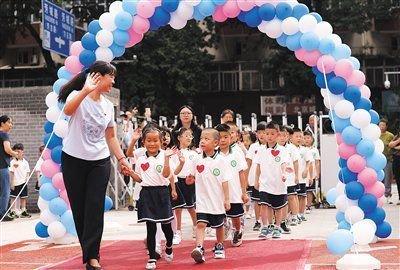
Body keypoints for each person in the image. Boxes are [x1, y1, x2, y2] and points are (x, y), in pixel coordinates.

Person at [58, 61, 132, 270]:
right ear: (98, 76)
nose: (114, 81)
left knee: (94, 208)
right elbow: (69, 111)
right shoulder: (76, 96)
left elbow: (111, 137)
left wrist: (122, 160)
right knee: (80, 211)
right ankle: (88, 253)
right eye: (111, 77)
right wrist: (85, 91)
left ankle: (93, 257)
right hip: (73, 160)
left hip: (99, 161)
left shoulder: (108, 106)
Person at [128, 127, 177, 270]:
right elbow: (139, 178)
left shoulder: (165, 155)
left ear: (161, 141)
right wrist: (131, 172)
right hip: (147, 194)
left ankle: (168, 245)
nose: (152, 143)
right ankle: (152, 257)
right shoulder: (141, 157)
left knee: (166, 226)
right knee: (150, 227)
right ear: (143, 142)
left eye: (155, 140)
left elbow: (167, 174)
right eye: (148, 140)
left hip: (162, 193)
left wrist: (167, 159)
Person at [190, 129, 230, 264]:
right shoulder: (196, 158)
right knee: (200, 224)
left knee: (219, 226)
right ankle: (199, 248)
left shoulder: (221, 160)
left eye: (207, 139)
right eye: (202, 138)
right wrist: (190, 179)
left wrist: (227, 199)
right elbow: (192, 176)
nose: (202, 141)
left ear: (216, 143)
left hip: (217, 200)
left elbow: (225, 182)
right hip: (202, 200)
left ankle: (219, 245)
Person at [215, 124, 248, 247]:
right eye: (219, 137)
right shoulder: (213, 154)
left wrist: (244, 192)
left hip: (234, 192)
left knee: (235, 215)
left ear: (231, 137)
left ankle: (238, 230)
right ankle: (223, 229)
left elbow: (242, 174)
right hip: (218, 192)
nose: (222, 140)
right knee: (220, 214)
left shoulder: (237, 153)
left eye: (225, 137)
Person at [254, 122, 289, 239]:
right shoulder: (260, 150)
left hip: (278, 183)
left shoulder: (283, 150)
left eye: (272, 134)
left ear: (277, 134)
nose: (269, 136)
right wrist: (256, 180)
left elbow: (284, 163)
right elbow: (258, 166)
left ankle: (277, 227)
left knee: (278, 208)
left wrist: (284, 173)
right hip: (265, 183)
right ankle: (265, 226)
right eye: (267, 133)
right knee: (264, 205)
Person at [171, 127, 198, 245]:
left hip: (189, 182)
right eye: (186, 135)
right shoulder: (173, 152)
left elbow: (197, 169)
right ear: (179, 137)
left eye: (190, 135)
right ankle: (178, 232)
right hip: (177, 181)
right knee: (178, 209)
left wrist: (193, 178)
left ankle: (196, 227)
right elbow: (173, 171)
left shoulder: (194, 153)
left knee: (191, 207)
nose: (188, 137)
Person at [246, 122, 267, 231]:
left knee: (267, 201)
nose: (262, 135)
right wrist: (246, 178)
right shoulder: (253, 146)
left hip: (268, 179)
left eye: (264, 132)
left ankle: (267, 221)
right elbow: (248, 162)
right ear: (256, 134)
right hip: (256, 179)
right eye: (260, 132)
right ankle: (258, 221)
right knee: (257, 201)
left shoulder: (271, 146)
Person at [0, 115, 19, 222]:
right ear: (2, 123)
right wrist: (15, 154)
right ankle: (2, 214)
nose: (11, 125)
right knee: (5, 191)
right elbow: (7, 149)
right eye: (9, 123)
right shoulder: (4, 135)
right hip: (2, 167)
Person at [292, 127, 312, 222]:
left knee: (302, 196)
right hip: (292, 177)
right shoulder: (289, 149)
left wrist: (306, 171)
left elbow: (309, 162)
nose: (299, 138)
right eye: (297, 136)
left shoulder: (304, 150)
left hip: (302, 177)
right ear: (291, 137)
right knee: (294, 196)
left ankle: (301, 213)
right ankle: (294, 214)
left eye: (300, 136)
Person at [8, 143, 31, 218]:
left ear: (22, 152)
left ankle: (23, 211)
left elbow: (27, 172)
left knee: (23, 197)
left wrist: (26, 180)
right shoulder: (12, 162)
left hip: (23, 183)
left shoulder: (25, 162)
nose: (18, 153)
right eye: (16, 152)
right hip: (15, 183)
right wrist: (11, 183)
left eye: (19, 152)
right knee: (13, 197)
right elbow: (11, 173)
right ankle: (12, 211)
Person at [379, 119, 395, 204]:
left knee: (388, 178)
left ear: (386, 126)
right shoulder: (376, 134)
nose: (381, 127)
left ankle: (387, 195)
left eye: (383, 125)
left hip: (388, 159)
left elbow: (393, 146)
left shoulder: (390, 135)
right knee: (378, 178)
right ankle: (379, 194)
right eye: (380, 125)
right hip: (377, 160)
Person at [303, 131, 320, 214]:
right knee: (302, 190)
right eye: (304, 138)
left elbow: (317, 162)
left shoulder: (314, 150)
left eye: (308, 138)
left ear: (312, 139)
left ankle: (308, 206)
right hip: (303, 172)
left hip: (311, 173)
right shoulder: (301, 149)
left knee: (309, 190)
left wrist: (317, 173)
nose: (306, 140)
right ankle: (302, 206)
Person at [389, 131, 400, 205]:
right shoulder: (396, 136)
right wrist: (399, 140)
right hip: (396, 159)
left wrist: (396, 147)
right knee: (398, 179)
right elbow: (390, 145)